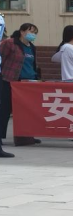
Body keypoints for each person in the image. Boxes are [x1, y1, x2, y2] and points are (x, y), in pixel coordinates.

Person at [0, 23, 40, 158]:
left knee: (26, 110)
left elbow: (32, 64)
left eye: (35, 32)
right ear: (22, 31)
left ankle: (26, 136)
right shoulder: (10, 43)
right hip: (10, 80)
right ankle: (1, 137)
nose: (32, 34)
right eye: (30, 31)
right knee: (5, 109)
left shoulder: (32, 47)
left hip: (28, 82)